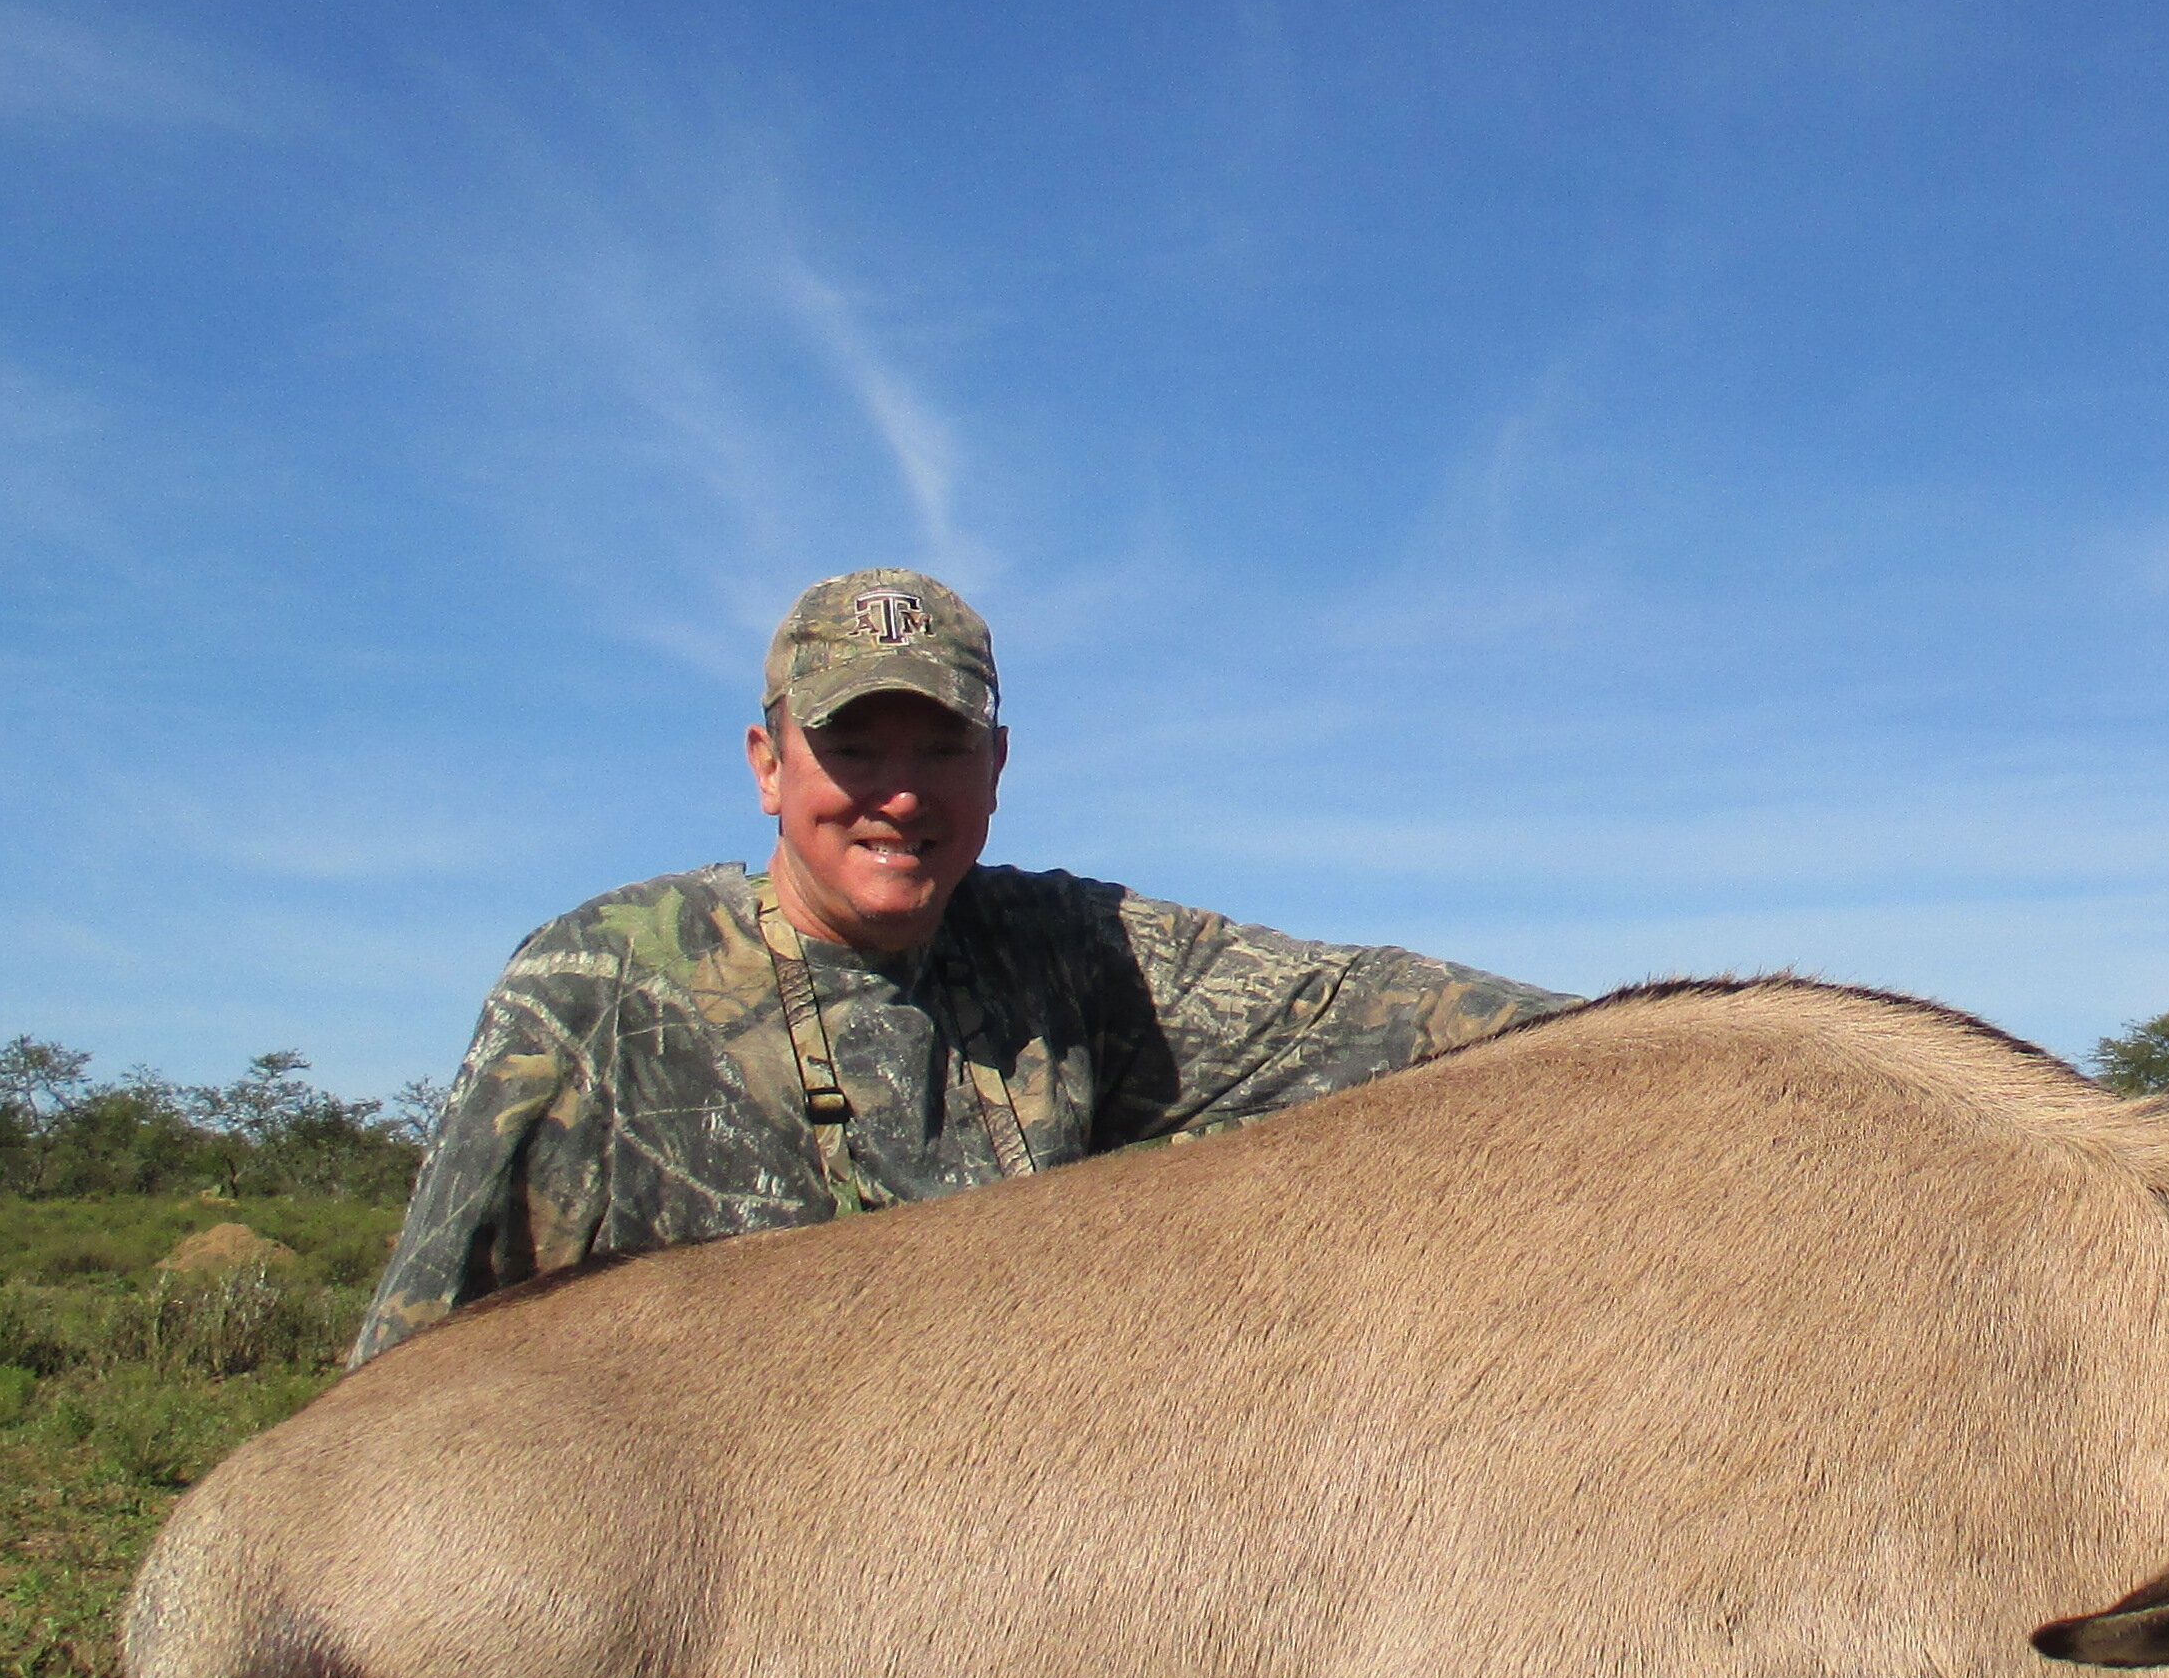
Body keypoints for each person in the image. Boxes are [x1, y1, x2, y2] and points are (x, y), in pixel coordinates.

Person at [347, 567, 1565, 1365]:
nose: (900, 791)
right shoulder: (596, 986)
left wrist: (1724, 1049)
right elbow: (417, 1357)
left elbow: (1383, 1011)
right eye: (852, 745)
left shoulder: (1072, 954)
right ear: (768, 766)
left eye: (942, 745)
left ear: (998, 766)